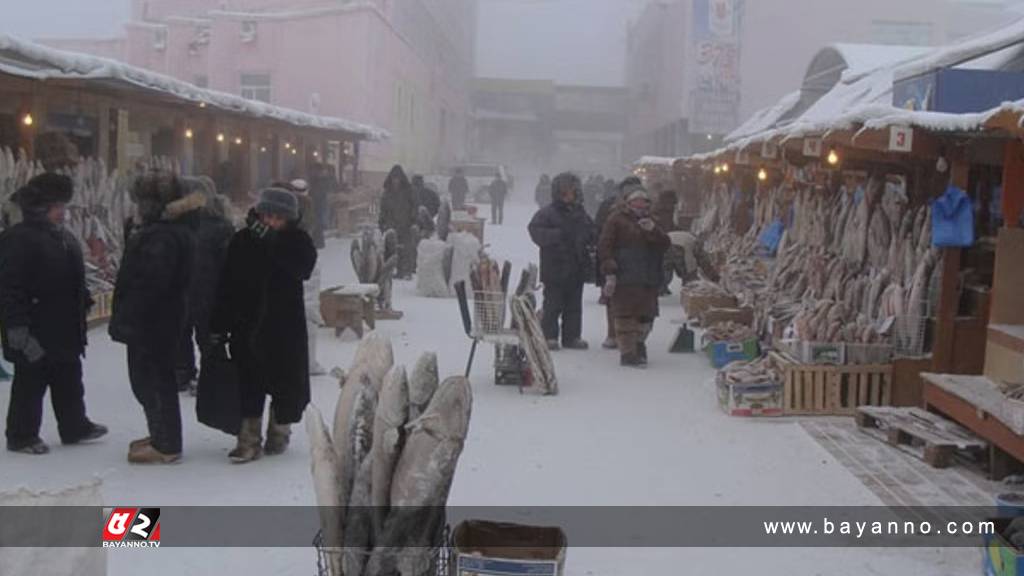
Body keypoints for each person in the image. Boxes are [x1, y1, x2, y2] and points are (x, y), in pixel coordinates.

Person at [0, 173, 108, 455]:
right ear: (41, 207)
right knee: (30, 381)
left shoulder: (61, 236)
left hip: (64, 325)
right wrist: (17, 329)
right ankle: (21, 435)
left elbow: (71, 274)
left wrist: (82, 298)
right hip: (35, 325)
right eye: (58, 206)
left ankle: (74, 424)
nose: (64, 212)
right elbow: (10, 287)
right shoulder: (19, 239)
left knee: (69, 377)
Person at [211, 188, 317, 464]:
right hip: (247, 325)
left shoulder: (298, 241)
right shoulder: (242, 240)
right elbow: (226, 284)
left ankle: (279, 433)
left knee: (286, 385)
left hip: (284, 328)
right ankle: (247, 440)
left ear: (289, 219)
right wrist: (218, 324)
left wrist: (273, 242)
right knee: (249, 382)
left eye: (278, 217)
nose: (271, 221)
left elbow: (302, 267)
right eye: (266, 215)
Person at [110, 170, 202, 463]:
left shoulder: (161, 236)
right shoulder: (167, 230)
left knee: (151, 380)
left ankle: (165, 444)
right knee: (152, 379)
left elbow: (149, 283)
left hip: (153, 322)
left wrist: (130, 318)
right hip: (161, 319)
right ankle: (161, 435)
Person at [176, 177, 235, 396]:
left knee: (207, 337)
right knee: (186, 336)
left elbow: (229, 264)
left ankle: (208, 377)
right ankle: (186, 374)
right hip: (189, 291)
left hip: (208, 293)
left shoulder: (219, 226)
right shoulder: (181, 225)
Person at [598, 187, 671, 368]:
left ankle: (640, 344)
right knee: (625, 316)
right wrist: (609, 271)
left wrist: (653, 231)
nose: (640, 206)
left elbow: (664, 244)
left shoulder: (653, 220)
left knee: (646, 316)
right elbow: (605, 246)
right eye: (636, 202)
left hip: (648, 276)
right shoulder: (616, 219)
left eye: (643, 202)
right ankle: (628, 352)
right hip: (625, 276)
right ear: (628, 203)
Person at [528, 172, 596, 351]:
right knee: (552, 304)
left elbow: (591, 231)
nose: (569, 196)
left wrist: (590, 239)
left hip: (577, 266)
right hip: (555, 267)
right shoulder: (548, 213)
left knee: (574, 306)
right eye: (565, 192)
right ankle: (549, 335)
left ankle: (572, 336)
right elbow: (535, 231)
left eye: (572, 192)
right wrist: (556, 236)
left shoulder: (581, 214)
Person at [594, 177, 642, 350]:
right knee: (613, 299)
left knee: (634, 301)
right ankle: (613, 334)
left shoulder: (646, 209)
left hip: (638, 262)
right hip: (614, 260)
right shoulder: (609, 206)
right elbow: (599, 231)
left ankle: (631, 336)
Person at [379, 165, 418, 279]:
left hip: (406, 223)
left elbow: (414, 206)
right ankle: (397, 270)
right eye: (394, 178)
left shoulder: (408, 191)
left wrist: (414, 219)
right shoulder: (387, 192)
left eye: (397, 178)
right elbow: (383, 209)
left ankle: (407, 271)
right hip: (392, 223)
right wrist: (382, 222)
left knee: (406, 248)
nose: (395, 181)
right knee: (393, 248)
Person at [310, 163, 337, 243]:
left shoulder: (320, 178)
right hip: (320, 198)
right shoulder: (323, 178)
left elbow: (328, 187)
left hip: (319, 199)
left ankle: (319, 234)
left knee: (319, 216)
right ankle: (320, 234)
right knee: (320, 216)